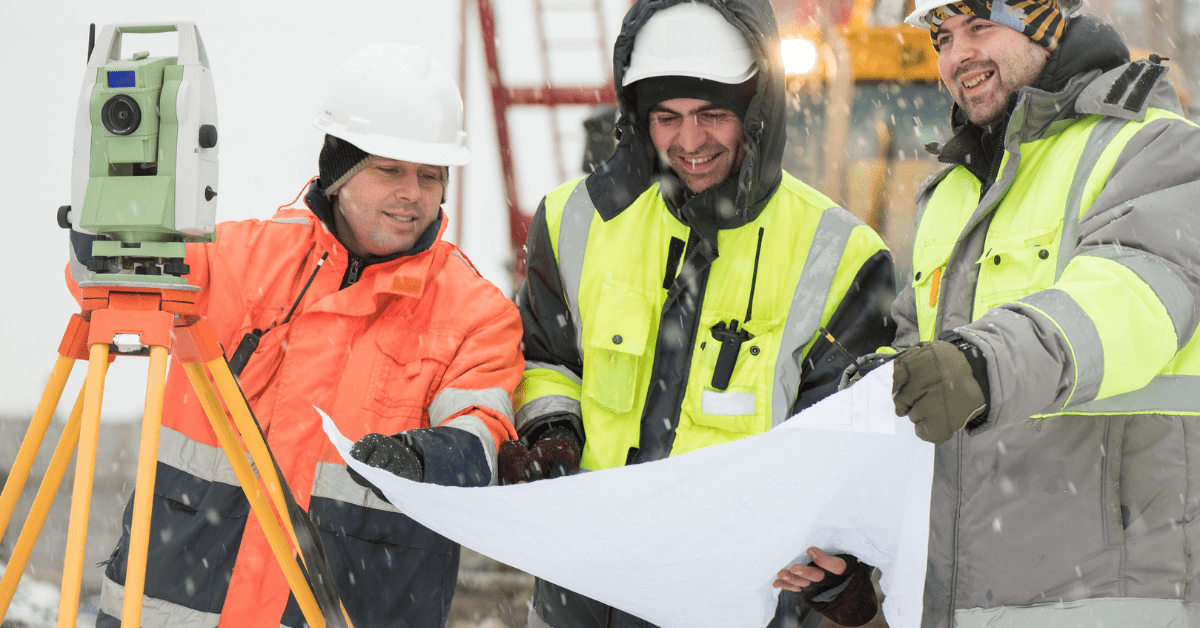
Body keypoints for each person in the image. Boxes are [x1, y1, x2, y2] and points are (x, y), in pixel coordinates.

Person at [68, 43, 523, 628]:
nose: (413, 192)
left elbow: (485, 438)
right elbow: (106, 283)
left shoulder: (477, 314)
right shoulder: (239, 260)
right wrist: (113, 211)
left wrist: (422, 458)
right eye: (390, 170)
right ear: (340, 172)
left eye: (430, 176)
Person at [501, 1, 899, 626]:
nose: (690, 142)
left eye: (713, 114)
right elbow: (547, 361)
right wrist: (553, 432)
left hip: (740, 603)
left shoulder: (842, 257)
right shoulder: (571, 221)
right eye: (668, 117)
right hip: (582, 591)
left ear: (756, 110)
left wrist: (843, 573)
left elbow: (847, 457)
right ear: (638, 117)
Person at [888, 1, 1200, 626]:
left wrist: (980, 363)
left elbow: (1130, 296)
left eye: (980, 26)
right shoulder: (950, 190)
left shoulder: (1156, 148)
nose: (958, 56)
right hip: (960, 601)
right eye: (944, 37)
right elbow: (911, 356)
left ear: (1045, 25)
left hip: (1109, 597)